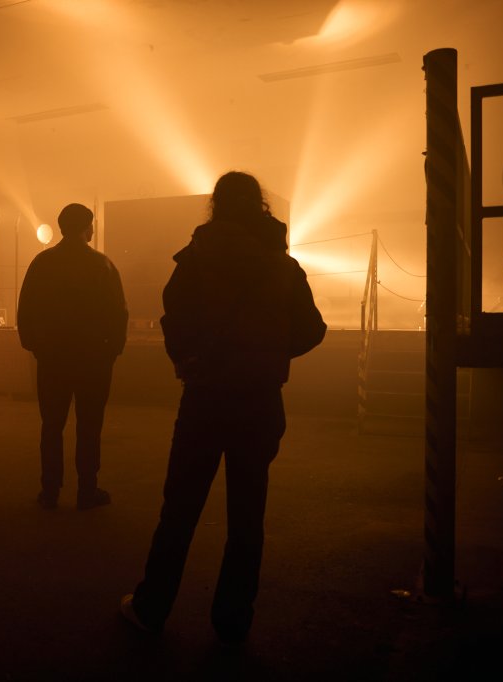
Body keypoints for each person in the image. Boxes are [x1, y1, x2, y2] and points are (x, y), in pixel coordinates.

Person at [120, 171, 327, 642]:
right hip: (259, 402)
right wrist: (269, 352)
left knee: (180, 509)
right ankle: (233, 621)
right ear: (260, 207)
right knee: (247, 517)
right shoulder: (283, 266)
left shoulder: (195, 259)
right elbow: (312, 330)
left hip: (205, 399)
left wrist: (192, 360)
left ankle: (152, 607)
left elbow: (172, 315)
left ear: (215, 206)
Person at [17, 203, 128, 510]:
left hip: (53, 358)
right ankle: (87, 490)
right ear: (86, 228)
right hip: (93, 359)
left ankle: (50, 489)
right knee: (89, 425)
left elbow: (26, 310)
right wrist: (112, 350)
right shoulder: (102, 265)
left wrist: (36, 346)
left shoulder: (42, 264)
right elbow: (118, 313)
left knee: (52, 424)